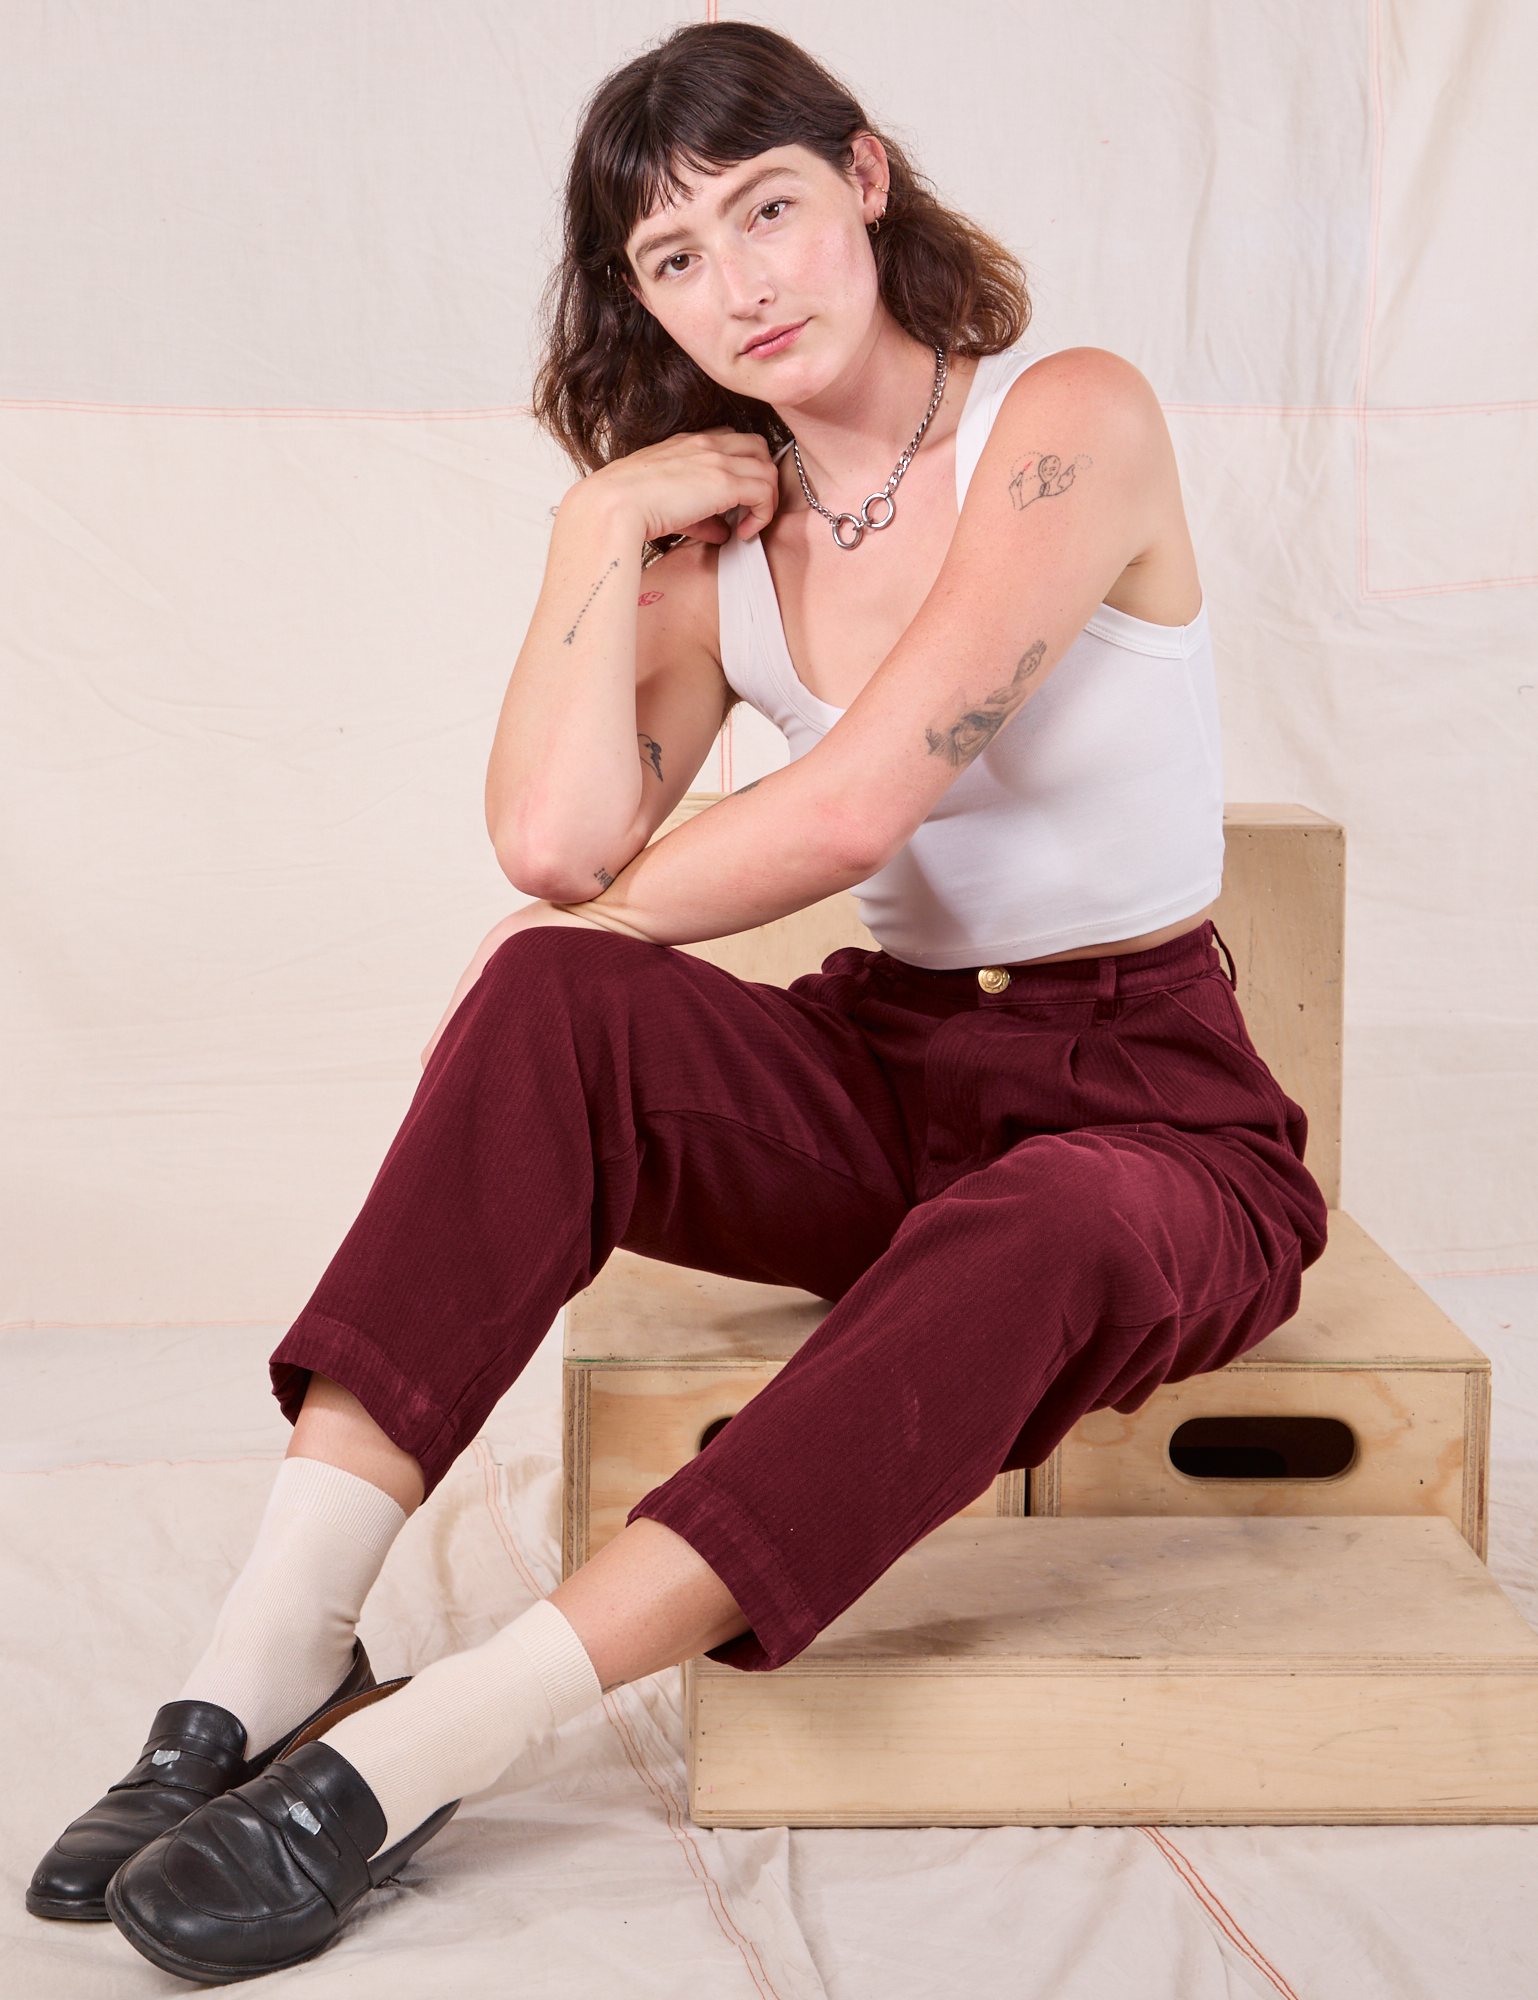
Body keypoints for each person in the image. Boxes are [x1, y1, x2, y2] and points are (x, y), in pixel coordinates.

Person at [30, 20, 1327, 1983]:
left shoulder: (1063, 417)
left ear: (867, 181)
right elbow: (552, 848)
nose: (739, 285)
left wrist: (599, 928)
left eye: (769, 212)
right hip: (888, 1062)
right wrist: (594, 528)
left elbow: (868, 790)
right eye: (673, 260)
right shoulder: (715, 544)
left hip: (1148, 1108)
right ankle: (262, 1666)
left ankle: (431, 1742)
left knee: (1026, 1199)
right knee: (559, 986)